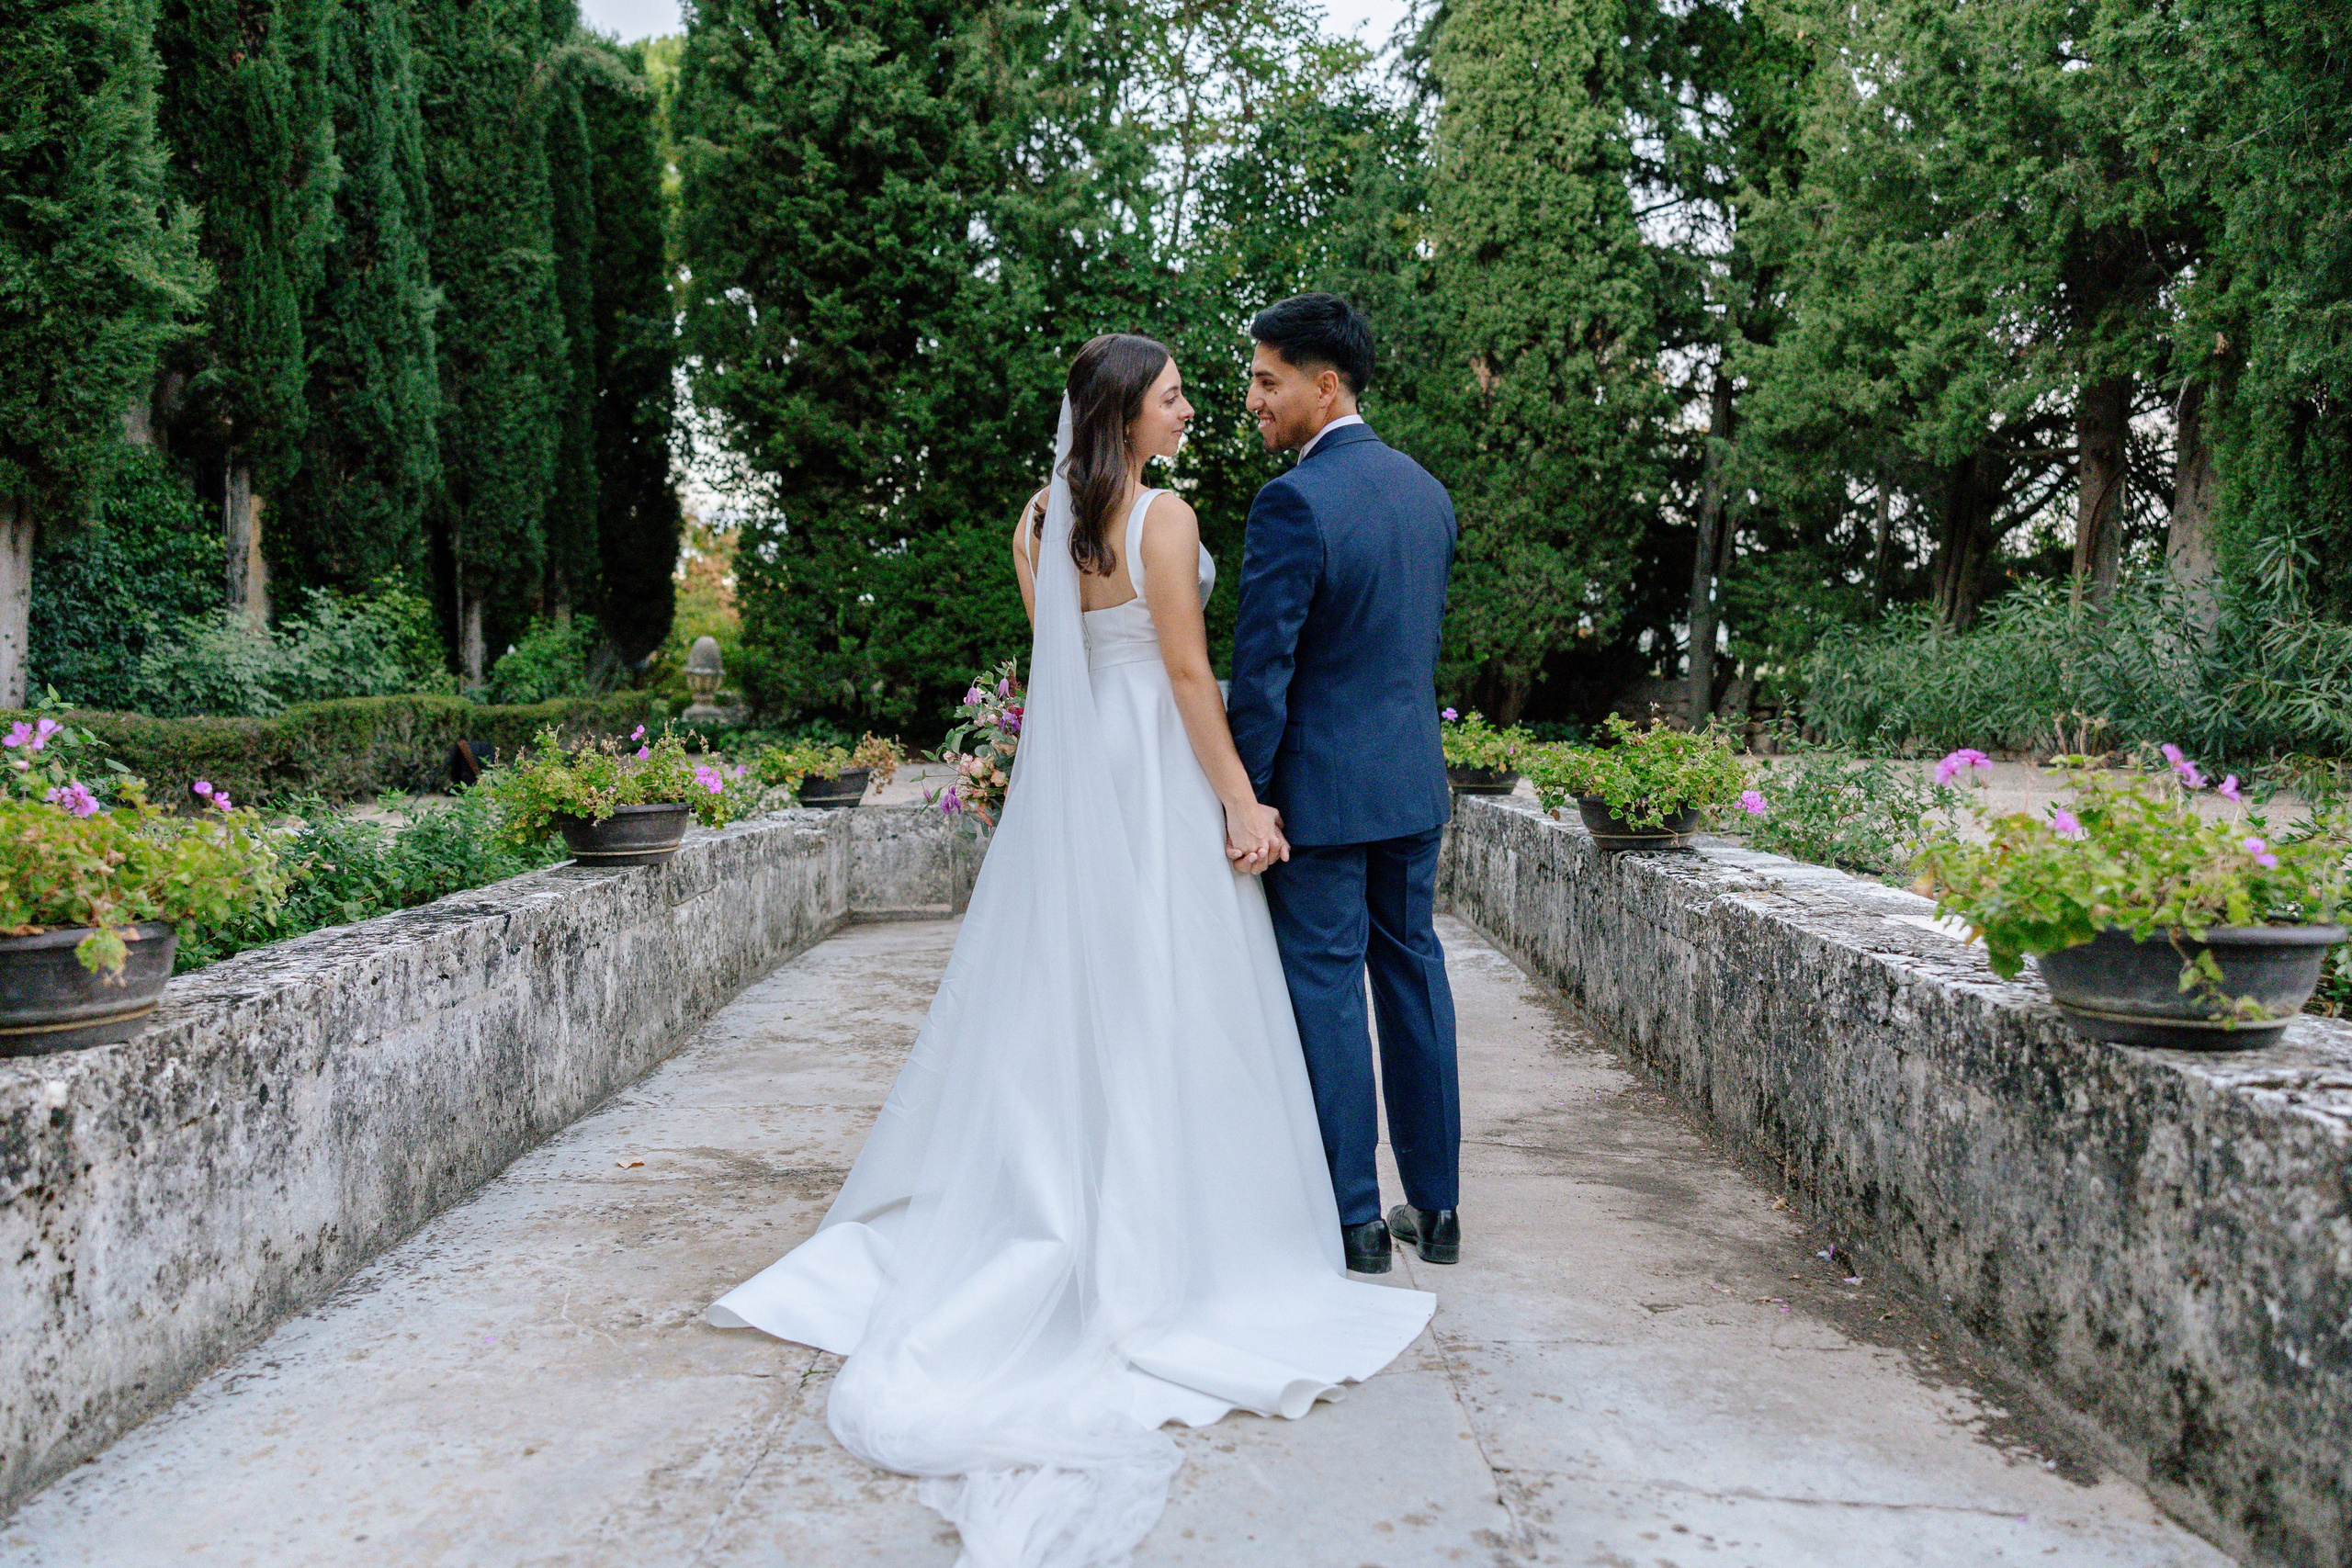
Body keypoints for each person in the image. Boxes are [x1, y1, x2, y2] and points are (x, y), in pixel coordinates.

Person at [705, 332, 1432, 1568]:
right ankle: (1160, 1233)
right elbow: (1192, 676)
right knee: (1166, 992)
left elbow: (1058, 644)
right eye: (1171, 396)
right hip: (1151, 767)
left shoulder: (1044, 516)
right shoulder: (1163, 517)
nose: (1194, 408)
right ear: (1124, 417)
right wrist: (1243, 803)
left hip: (1081, 768)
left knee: (1076, 993)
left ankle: (1070, 1193)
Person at [1227, 292, 1463, 1278]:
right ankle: (1438, 1211)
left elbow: (1265, 670)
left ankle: (1355, 1220)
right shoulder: (1427, 493)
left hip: (1318, 803)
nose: (1251, 400)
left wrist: (1247, 794)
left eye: (1266, 380)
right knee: (1413, 979)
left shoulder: (1294, 502)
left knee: (1325, 990)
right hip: (1409, 790)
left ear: (1326, 386)